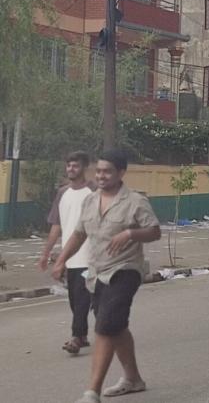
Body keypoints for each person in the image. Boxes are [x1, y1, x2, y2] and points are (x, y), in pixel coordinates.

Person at [52, 150, 161, 403]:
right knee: (116, 325)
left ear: (121, 173)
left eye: (107, 171)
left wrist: (130, 234)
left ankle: (91, 392)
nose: (101, 176)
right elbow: (79, 235)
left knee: (104, 325)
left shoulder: (135, 201)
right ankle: (133, 379)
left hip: (125, 271)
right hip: (98, 272)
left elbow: (154, 231)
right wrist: (60, 261)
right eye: (99, 171)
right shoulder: (90, 201)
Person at [39, 151, 96, 355]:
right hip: (69, 257)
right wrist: (46, 254)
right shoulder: (63, 193)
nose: (71, 169)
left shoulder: (94, 192)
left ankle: (75, 338)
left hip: (91, 256)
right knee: (74, 299)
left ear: (85, 168)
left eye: (76, 166)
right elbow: (57, 225)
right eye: (69, 165)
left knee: (81, 297)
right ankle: (82, 334)